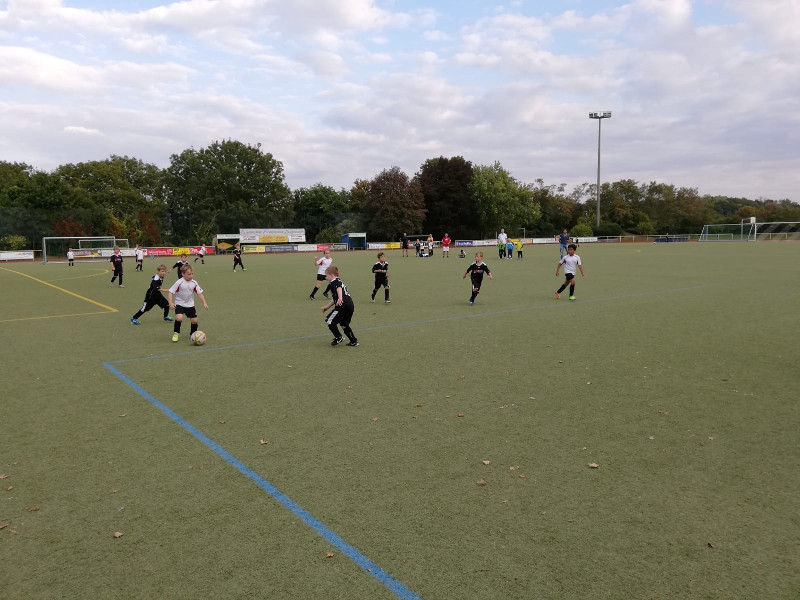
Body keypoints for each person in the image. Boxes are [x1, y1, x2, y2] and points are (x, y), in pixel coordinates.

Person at [168, 264, 209, 342]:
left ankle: (193, 334)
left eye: (192, 274)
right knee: (179, 318)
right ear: (183, 274)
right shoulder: (179, 282)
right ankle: (176, 333)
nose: (191, 276)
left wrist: (204, 302)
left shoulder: (194, 282)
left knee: (194, 321)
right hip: (179, 303)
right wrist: (171, 303)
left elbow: (199, 293)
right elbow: (170, 292)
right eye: (189, 274)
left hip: (190, 304)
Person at [320, 265, 358, 347]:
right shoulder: (338, 281)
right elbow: (335, 299)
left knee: (329, 320)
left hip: (343, 305)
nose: (326, 277)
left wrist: (340, 298)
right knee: (343, 324)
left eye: (326, 275)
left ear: (331, 275)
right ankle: (353, 341)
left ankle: (339, 337)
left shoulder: (335, 282)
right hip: (350, 305)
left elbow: (339, 288)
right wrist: (327, 307)